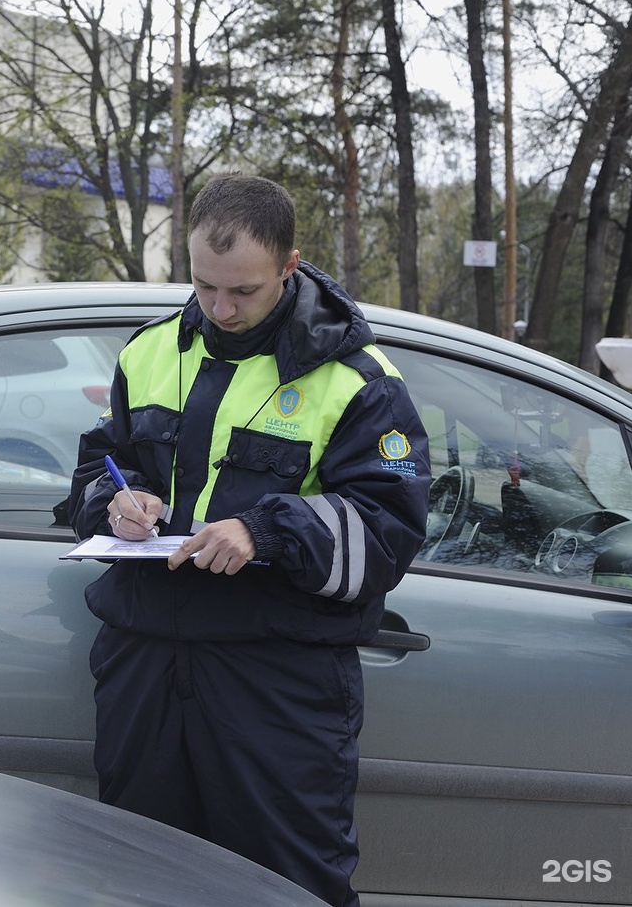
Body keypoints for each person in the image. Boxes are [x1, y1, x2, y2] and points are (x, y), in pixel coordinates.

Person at [68, 173, 431, 907]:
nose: (220, 309)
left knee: (285, 885)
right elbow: (92, 472)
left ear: (289, 268)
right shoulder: (147, 352)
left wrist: (263, 531)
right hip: (146, 662)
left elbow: (388, 532)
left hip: (274, 677)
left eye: (244, 291)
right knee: (139, 878)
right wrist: (116, 501)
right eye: (204, 285)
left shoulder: (357, 380)